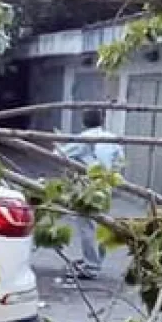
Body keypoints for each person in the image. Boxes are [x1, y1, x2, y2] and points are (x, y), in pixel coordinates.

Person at [58, 109, 124, 280]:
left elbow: (60, 155)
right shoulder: (112, 138)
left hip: (87, 187)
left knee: (87, 227)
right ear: (102, 120)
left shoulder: (83, 138)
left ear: (84, 121)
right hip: (106, 185)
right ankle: (95, 261)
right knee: (102, 225)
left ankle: (91, 267)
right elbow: (120, 162)